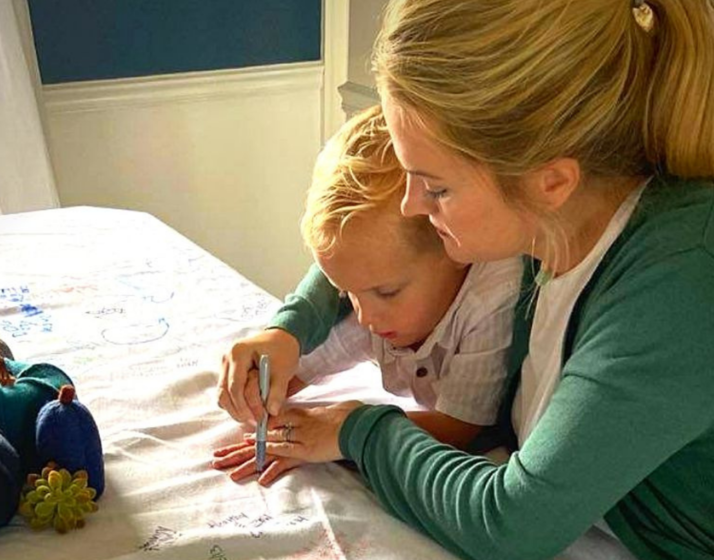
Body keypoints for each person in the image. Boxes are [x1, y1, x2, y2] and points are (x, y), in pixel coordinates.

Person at [216, 1, 714, 559]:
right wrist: (288, 328)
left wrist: (358, 429)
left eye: (436, 189)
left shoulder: (675, 289)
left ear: (550, 181)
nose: (412, 203)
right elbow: (377, 236)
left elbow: (510, 526)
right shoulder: (543, 223)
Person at [214, 106, 522, 485]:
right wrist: (260, 396)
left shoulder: (494, 295)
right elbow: (297, 371)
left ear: (453, 245)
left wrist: (342, 431)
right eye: (347, 293)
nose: (365, 317)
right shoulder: (379, 300)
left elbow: (461, 429)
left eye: (386, 292)